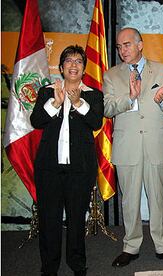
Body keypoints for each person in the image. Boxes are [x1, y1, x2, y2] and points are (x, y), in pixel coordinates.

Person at [103, 27, 163, 267]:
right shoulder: (112, 75)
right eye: (119, 46)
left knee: (158, 198)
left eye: (127, 44)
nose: (122, 50)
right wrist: (130, 97)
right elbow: (107, 109)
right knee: (130, 201)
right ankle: (131, 246)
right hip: (127, 146)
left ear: (140, 44)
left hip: (155, 144)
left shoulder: (162, 69)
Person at [30, 45, 104, 276]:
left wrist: (79, 102)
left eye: (79, 61)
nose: (74, 65)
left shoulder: (93, 94)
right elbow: (36, 121)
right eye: (69, 61)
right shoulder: (46, 91)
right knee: (49, 219)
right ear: (61, 68)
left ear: (83, 68)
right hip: (49, 169)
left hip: (80, 170)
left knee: (75, 219)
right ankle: (49, 267)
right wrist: (55, 103)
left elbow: (96, 122)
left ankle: (77, 264)